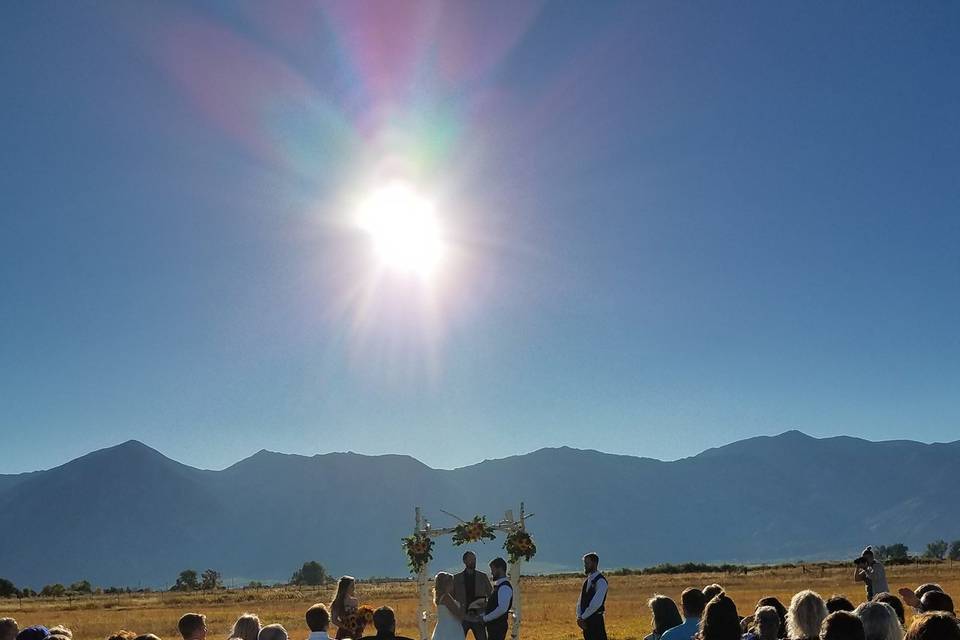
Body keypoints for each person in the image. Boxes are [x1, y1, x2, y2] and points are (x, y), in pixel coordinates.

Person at [454, 551, 492, 640]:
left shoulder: (482, 577)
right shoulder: (456, 578)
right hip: (462, 617)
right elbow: (452, 597)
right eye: (470, 559)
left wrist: (485, 611)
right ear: (464, 561)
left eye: (474, 559)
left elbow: (491, 595)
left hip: (478, 617)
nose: (473, 561)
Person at [576, 552, 608, 640]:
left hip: (596, 620)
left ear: (594, 564)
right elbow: (580, 601)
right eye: (585, 563)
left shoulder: (601, 582)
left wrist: (582, 617)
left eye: (587, 563)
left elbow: (596, 604)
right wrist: (579, 617)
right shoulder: (587, 581)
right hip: (586, 621)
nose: (585, 566)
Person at [482, 558, 512, 640]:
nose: (491, 572)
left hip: (498, 627)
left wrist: (485, 619)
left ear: (500, 569)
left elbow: (502, 609)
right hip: (494, 627)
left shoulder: (504, 587)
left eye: (493, 569)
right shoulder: (499, 586)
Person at [433, 571, 464, 640]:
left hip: (442, 628)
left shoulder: (440, 597)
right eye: (452, 582)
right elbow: (458, 614)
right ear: (446, 584)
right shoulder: (446, 597)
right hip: (451, 629)